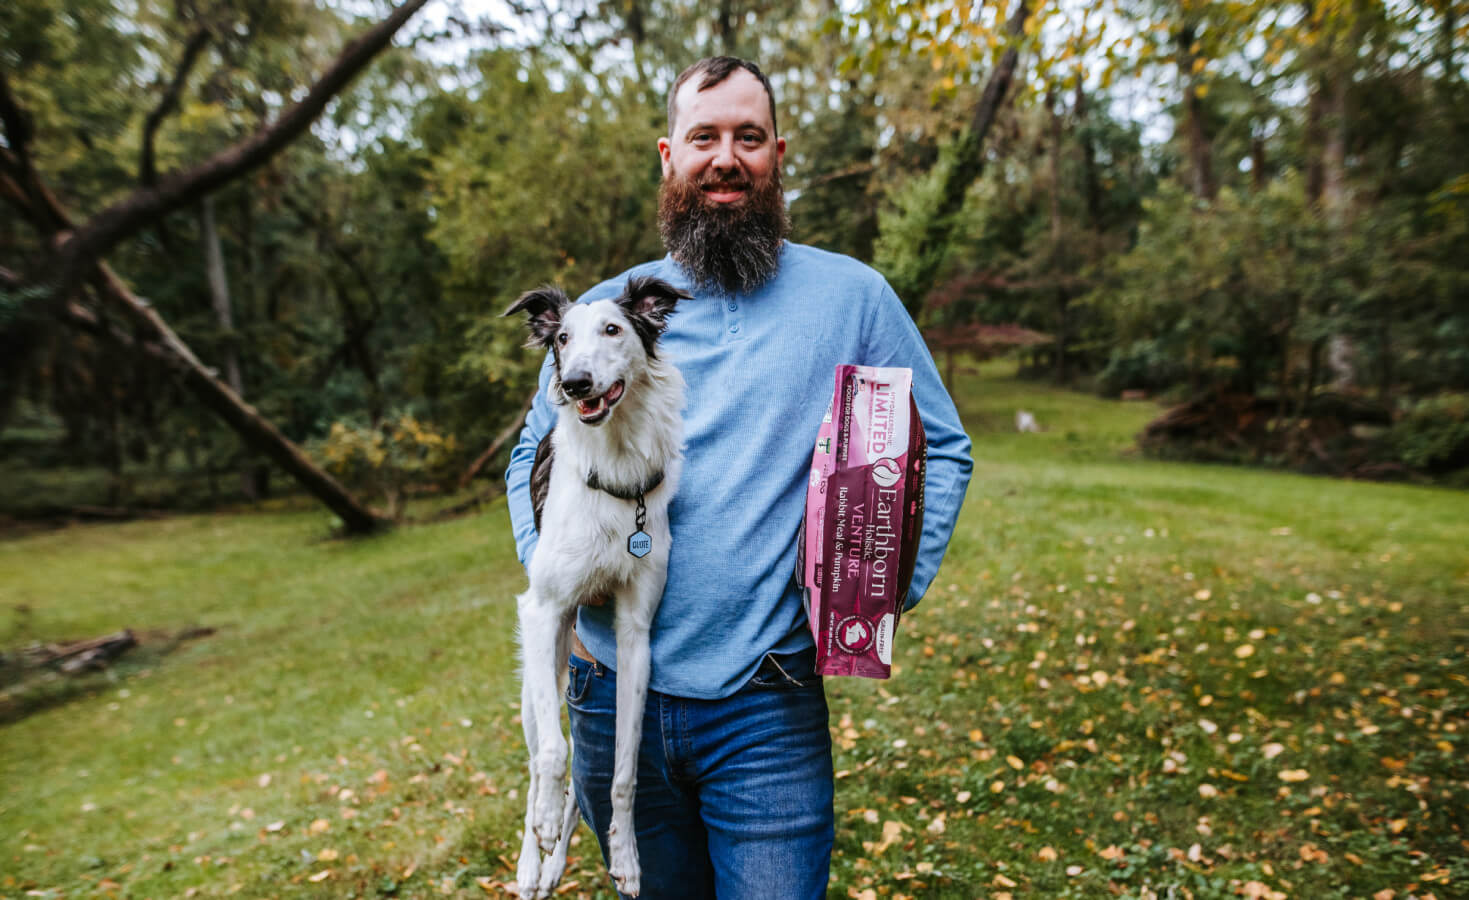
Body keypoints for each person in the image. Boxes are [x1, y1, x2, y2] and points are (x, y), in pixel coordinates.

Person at [505, 56, 973, 900]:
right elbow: (526, 457)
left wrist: (882, 591)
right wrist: (560, 571)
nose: (726, 157)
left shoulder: (853, 296)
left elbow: (940, 447)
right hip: (613, 697)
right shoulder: (607, 312)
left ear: (777, 153)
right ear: (668, 156)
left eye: (747, 138)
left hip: (768, 701)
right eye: (704, 137)